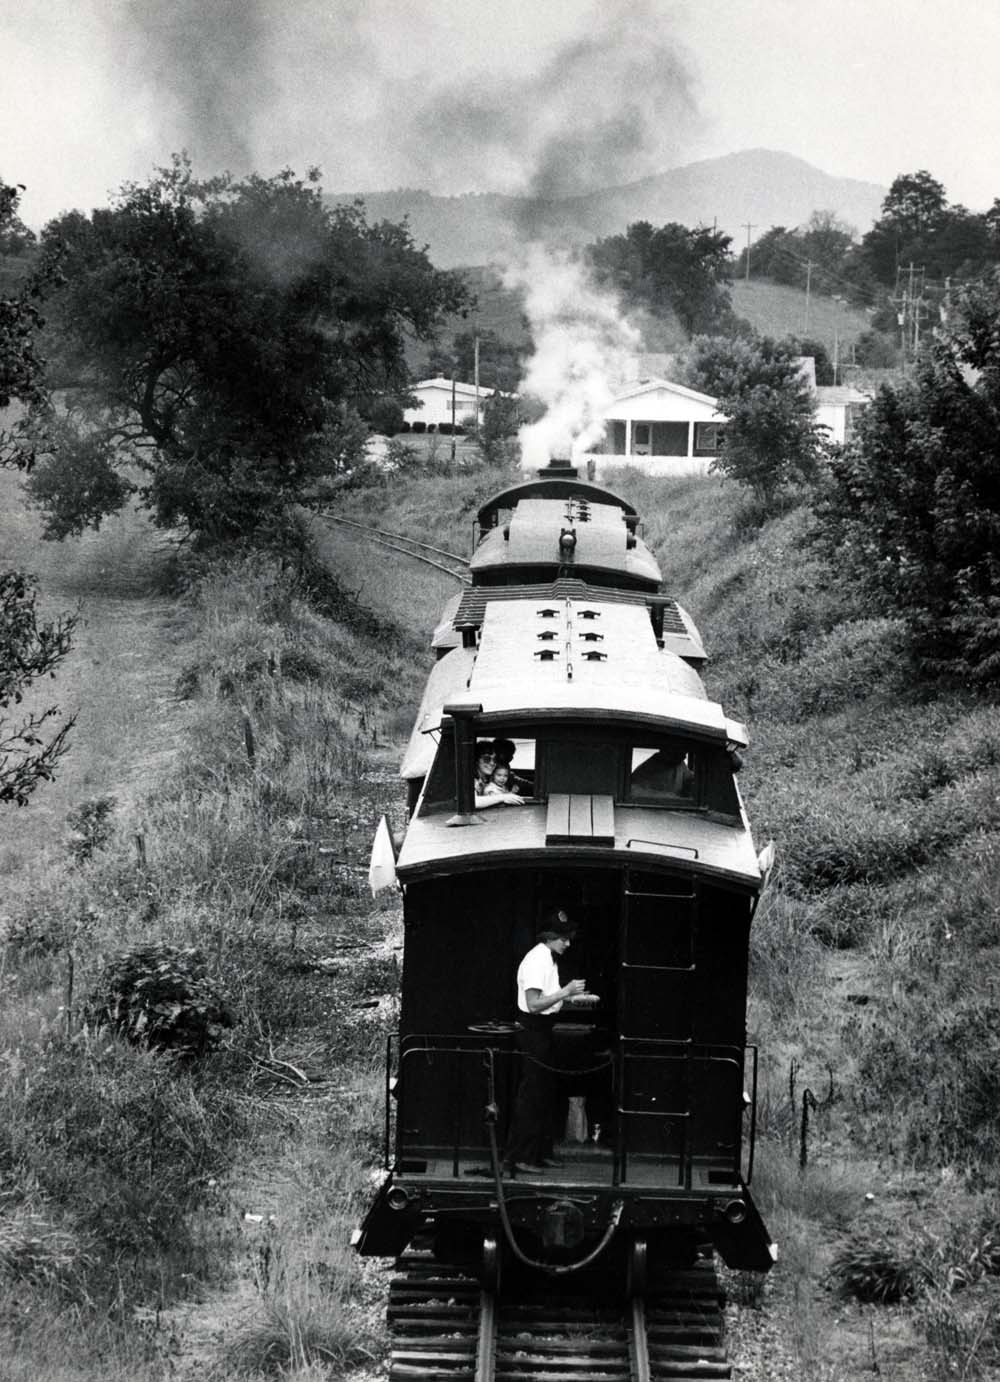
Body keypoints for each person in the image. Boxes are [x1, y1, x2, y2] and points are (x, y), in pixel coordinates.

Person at [502, 911, 589, 1175]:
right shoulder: (537, 960)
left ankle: (540, 1152)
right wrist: (566, 992)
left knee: (546, 1091)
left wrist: (568, 998)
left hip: (544, 1029)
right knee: (532, 1094)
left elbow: (548, 998)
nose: (568, 944)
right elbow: (533, 1004)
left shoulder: (549, 960)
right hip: (532, 1030)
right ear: (551, 937)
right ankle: (521, 1157)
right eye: (564, 938)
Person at [629, 743, 695, 799]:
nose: (684, 756)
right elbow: (633, 790)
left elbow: (689, 777)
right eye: (680, 752)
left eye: (685, 752)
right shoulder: (649, 767)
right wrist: (669, 797)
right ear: (667, 750)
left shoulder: (679, 764)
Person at [473, 741, 522, 809]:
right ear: (476, 760)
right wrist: (504, 796)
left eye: (495, 759)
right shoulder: (470, 778)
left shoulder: (486, 777)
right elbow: (474, 802)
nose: (492, 763)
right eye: (487, 759)